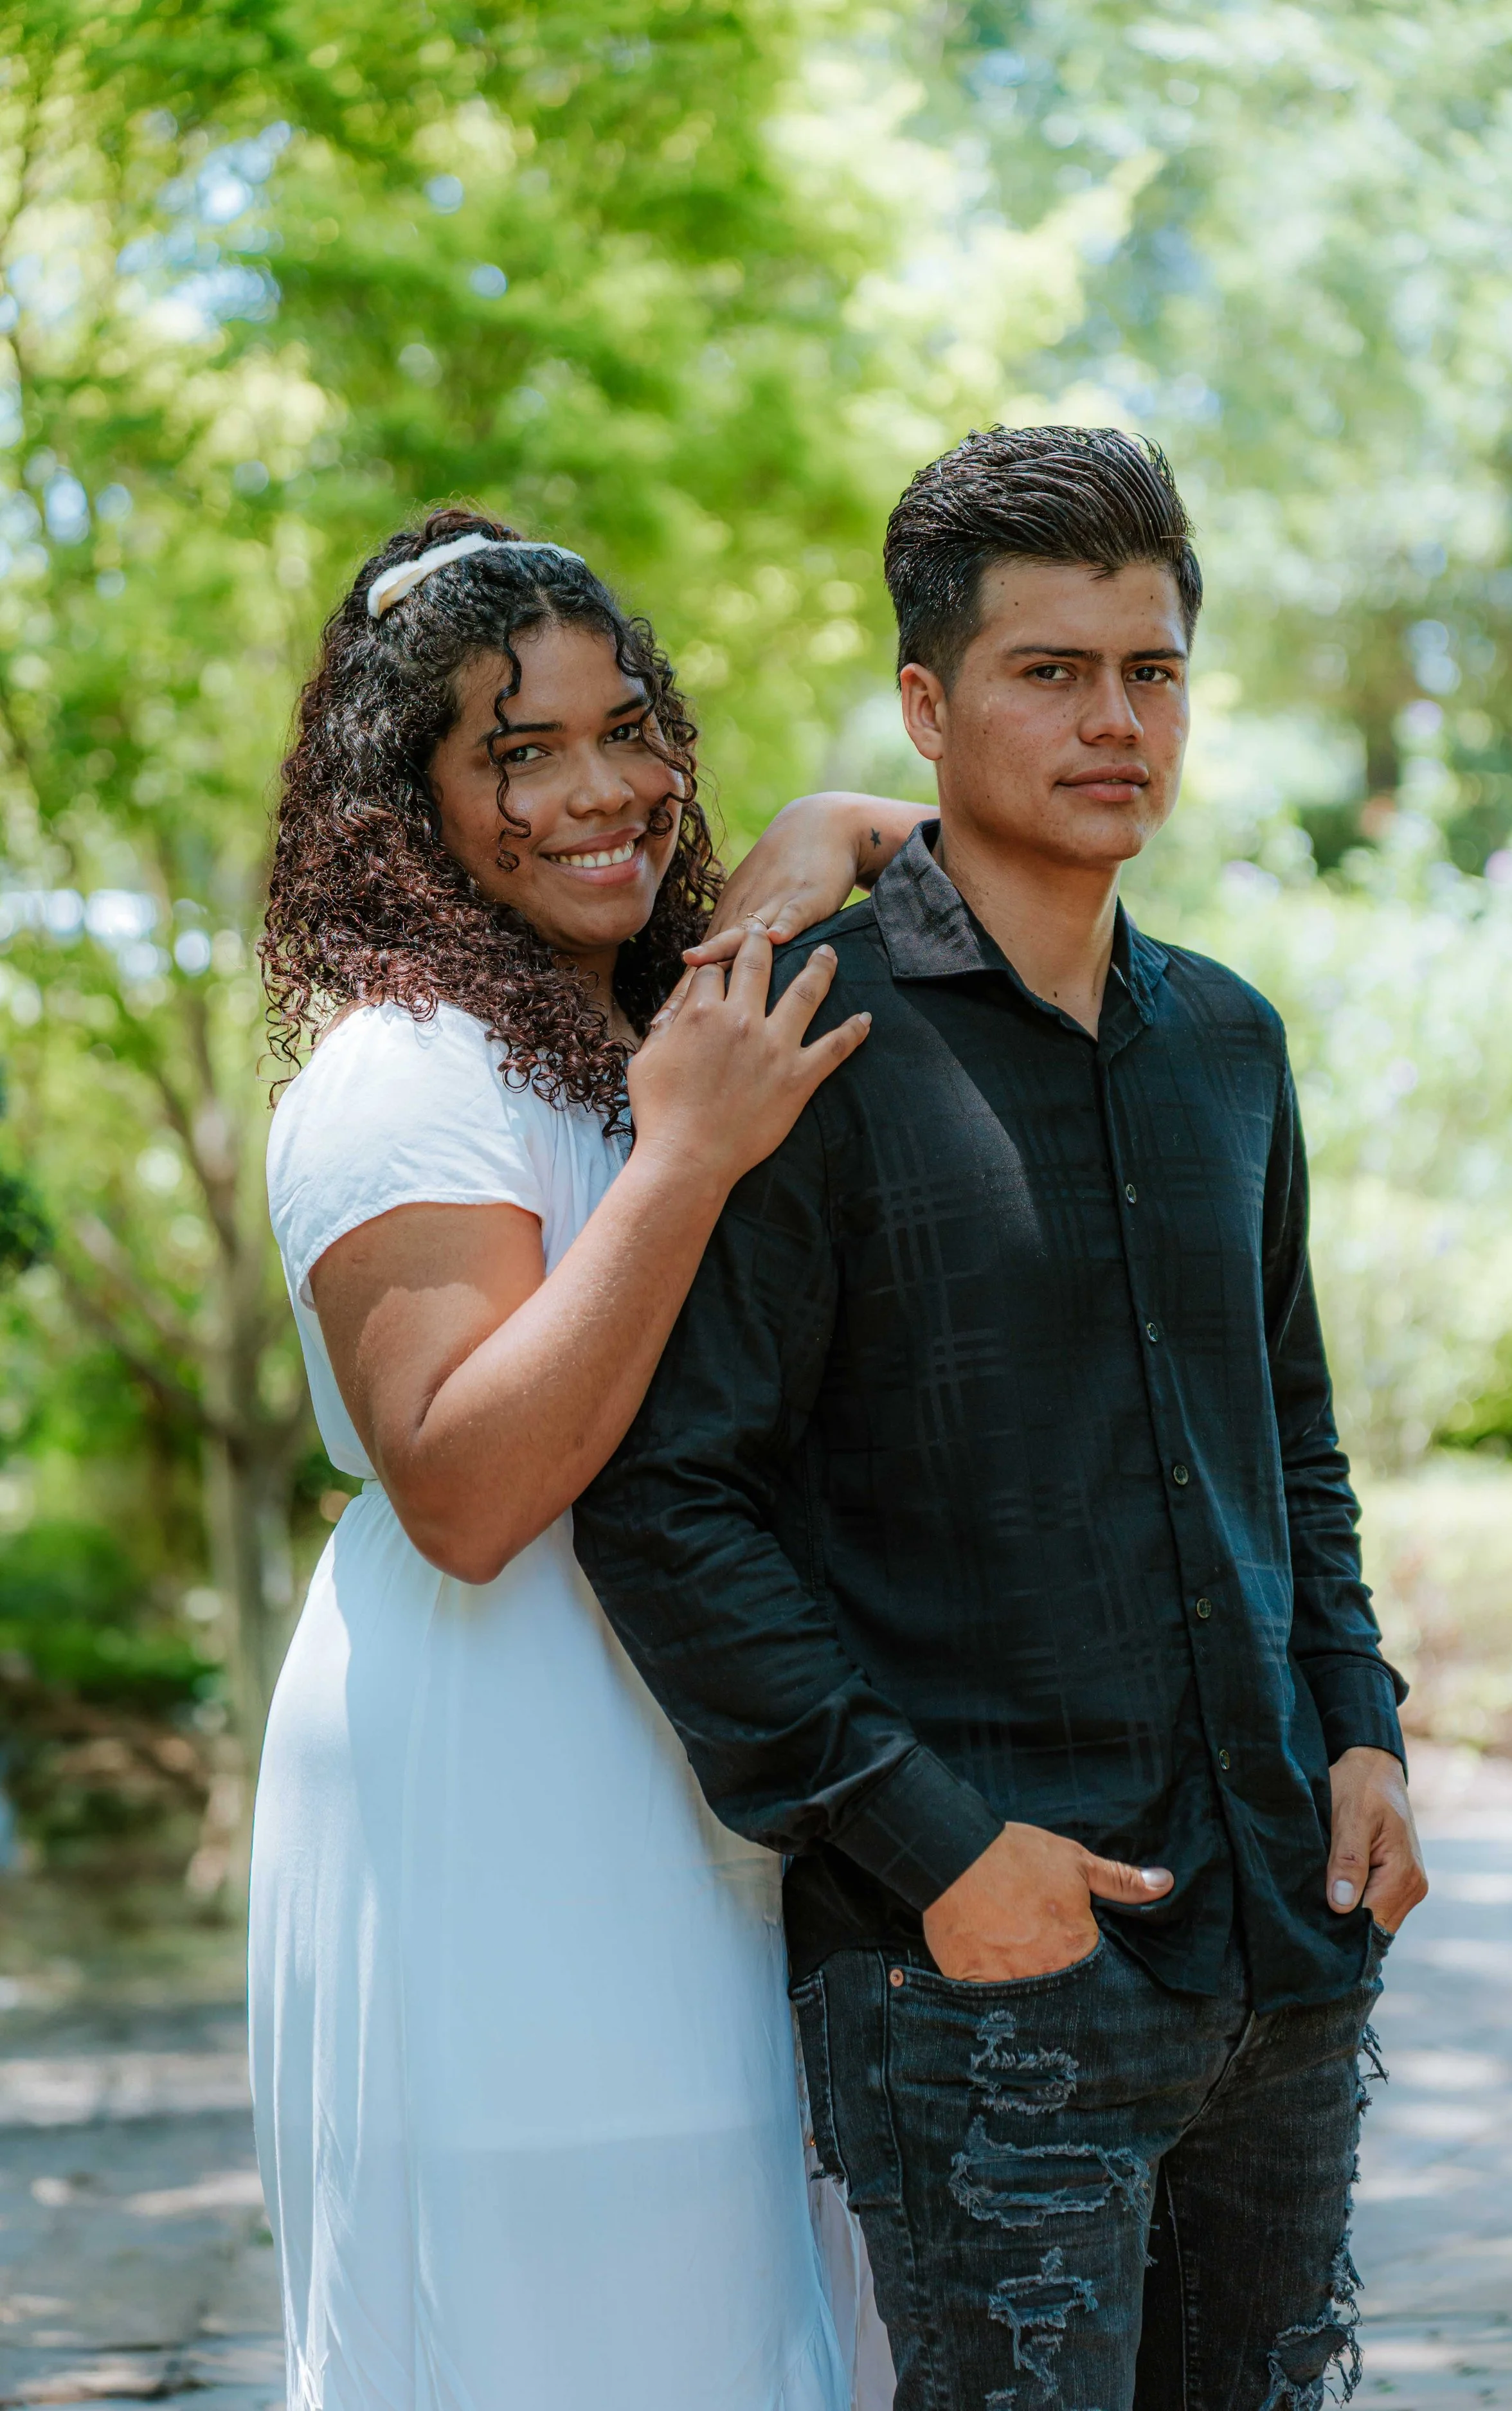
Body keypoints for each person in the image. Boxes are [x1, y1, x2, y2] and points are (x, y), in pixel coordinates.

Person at [574, 426, 1430, 2411]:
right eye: (1049, 671)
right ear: (923, 704)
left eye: (1150, 670)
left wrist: (1362, 1722)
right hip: (979, 1981)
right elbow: (667, 1500)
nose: (1114, 719)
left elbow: (1285, 1437)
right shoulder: (808, 1040)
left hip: (1283, 1949)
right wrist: (937, 1846)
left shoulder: (1229, 1041)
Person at [249, 504, 914, 2410]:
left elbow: (1059, 861)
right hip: (494, 1773)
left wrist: (849, 827)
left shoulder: (598, 1030)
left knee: (722, 2303)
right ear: (403, 797)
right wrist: (692, 1156)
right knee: (570, 2326)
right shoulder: (404, 1071)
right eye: (514, 751)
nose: (594, 789)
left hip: (673, 1759)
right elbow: (462, 1490)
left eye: (629, 728)